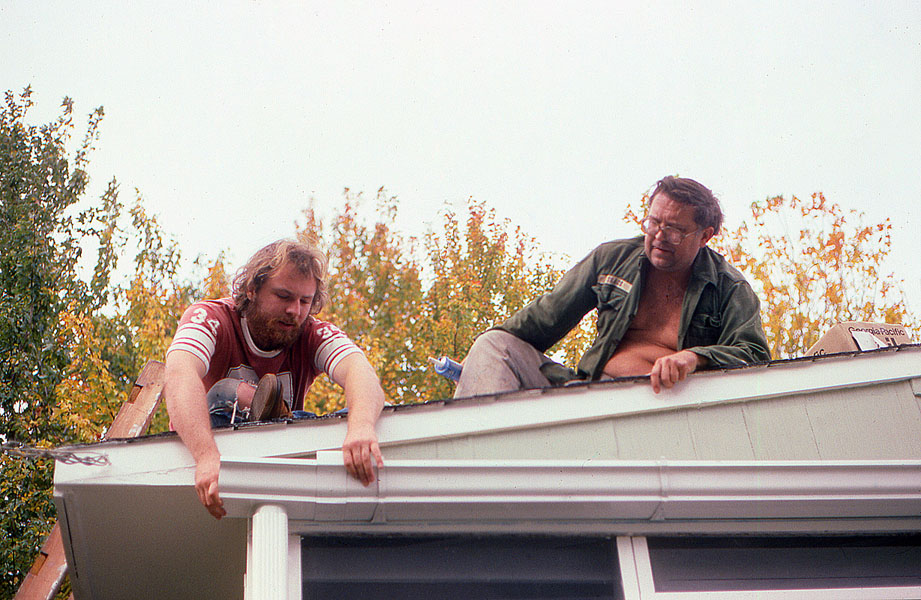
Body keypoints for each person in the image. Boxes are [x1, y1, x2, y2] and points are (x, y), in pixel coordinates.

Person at [455, 176, 771, 398]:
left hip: (661, 406)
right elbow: (540, 321)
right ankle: (484, 466)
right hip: (586, 392)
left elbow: (755, 356)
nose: (659, 236)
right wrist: (478, 363)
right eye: (653, 223)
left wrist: (694, 358)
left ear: (705, 236)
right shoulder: (612, 258)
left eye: (674, 230)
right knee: (493, 344)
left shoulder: (730, 288)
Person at [164, 239, 385, 520]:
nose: (295, 310)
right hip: (209, 444)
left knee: (353, 419)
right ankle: (261, 407)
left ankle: (278, 415)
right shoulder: (211, 317)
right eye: (283, 297)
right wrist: (206, 456)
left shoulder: (311, 332)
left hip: (275, 457)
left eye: (305, 301)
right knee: (223, 392)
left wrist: (361, 427)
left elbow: (360, 372)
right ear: (252, 289)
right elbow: (179, 373)